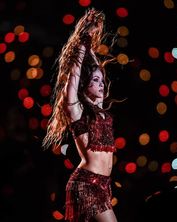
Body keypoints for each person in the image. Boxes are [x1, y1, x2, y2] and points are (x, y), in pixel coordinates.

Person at [42, 8, 118, 222]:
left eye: (102, 81)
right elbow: (75, 75)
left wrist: (89, 38)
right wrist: (83, 40)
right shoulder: (76, 110)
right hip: (87, 184)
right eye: (95, 81)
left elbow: (95, 68)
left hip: (103, 185)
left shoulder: (100, 108)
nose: (101, 84)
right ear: (84, 85)